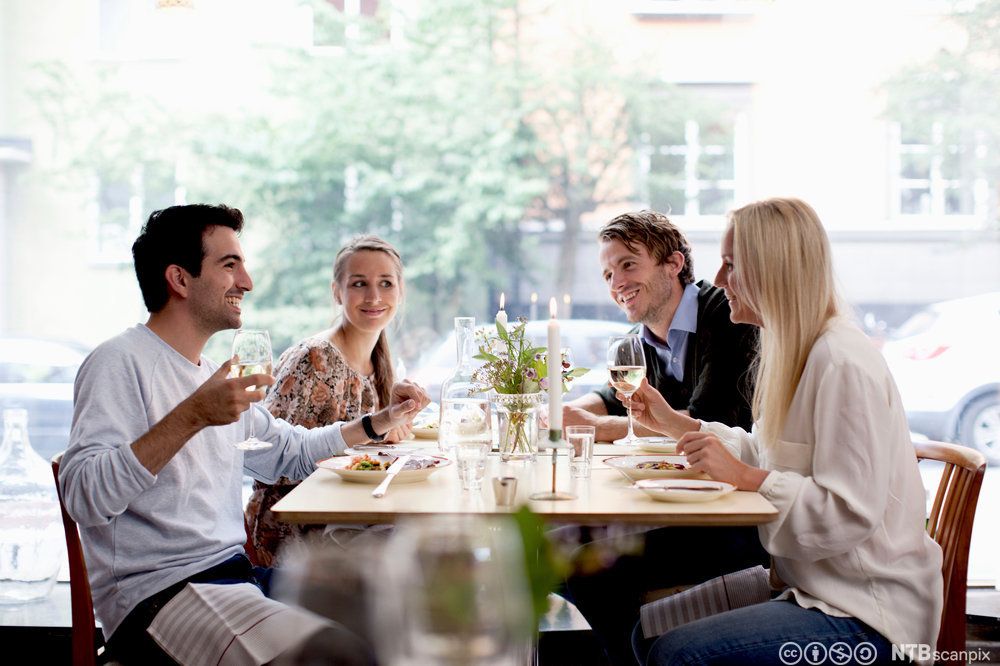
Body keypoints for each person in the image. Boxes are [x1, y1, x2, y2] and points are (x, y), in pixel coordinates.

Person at [58, 204, 429, 665]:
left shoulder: (210, 375)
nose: (247, 282)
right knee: (343, 656)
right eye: (230, 265)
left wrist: (380, 421)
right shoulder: (119, 361)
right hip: (165, 595)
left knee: (404, 616)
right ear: (179, 279)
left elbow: (291, 452)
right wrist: (193, 415)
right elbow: (83, 495)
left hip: (236, 577)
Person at [622, 197, 942, 665]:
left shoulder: (842, 362)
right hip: (808, 585)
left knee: (678, 653)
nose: (720, 279)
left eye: (732, 264)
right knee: (644, 634)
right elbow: (763, 451)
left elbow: (848, 511)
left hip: (868, 615)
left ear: (773, 269)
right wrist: (670, 422)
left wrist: (746, 478)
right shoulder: (794, 349)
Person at [561, 210, 767, 666]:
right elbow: (615, 396)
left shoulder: (729, 316)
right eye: (608, 273)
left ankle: (642, 653)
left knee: (586, 568)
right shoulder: (645, 338)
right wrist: (578, 412)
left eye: (628, 265)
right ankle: (638, 644)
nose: (616, 282)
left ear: (673, 264)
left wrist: (602, 428)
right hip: (691, 495)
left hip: (741, 513)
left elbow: (708, 419)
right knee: (555, 546)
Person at [246, 235, 409, 565]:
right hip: (293, 532)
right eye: (359, 283)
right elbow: (261, 459)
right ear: (337, 292)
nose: (374, 296)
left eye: (386, 283)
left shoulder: (384, 364)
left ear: (400, 292)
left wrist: (390, 431)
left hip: (351, 514)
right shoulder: (313, 358)